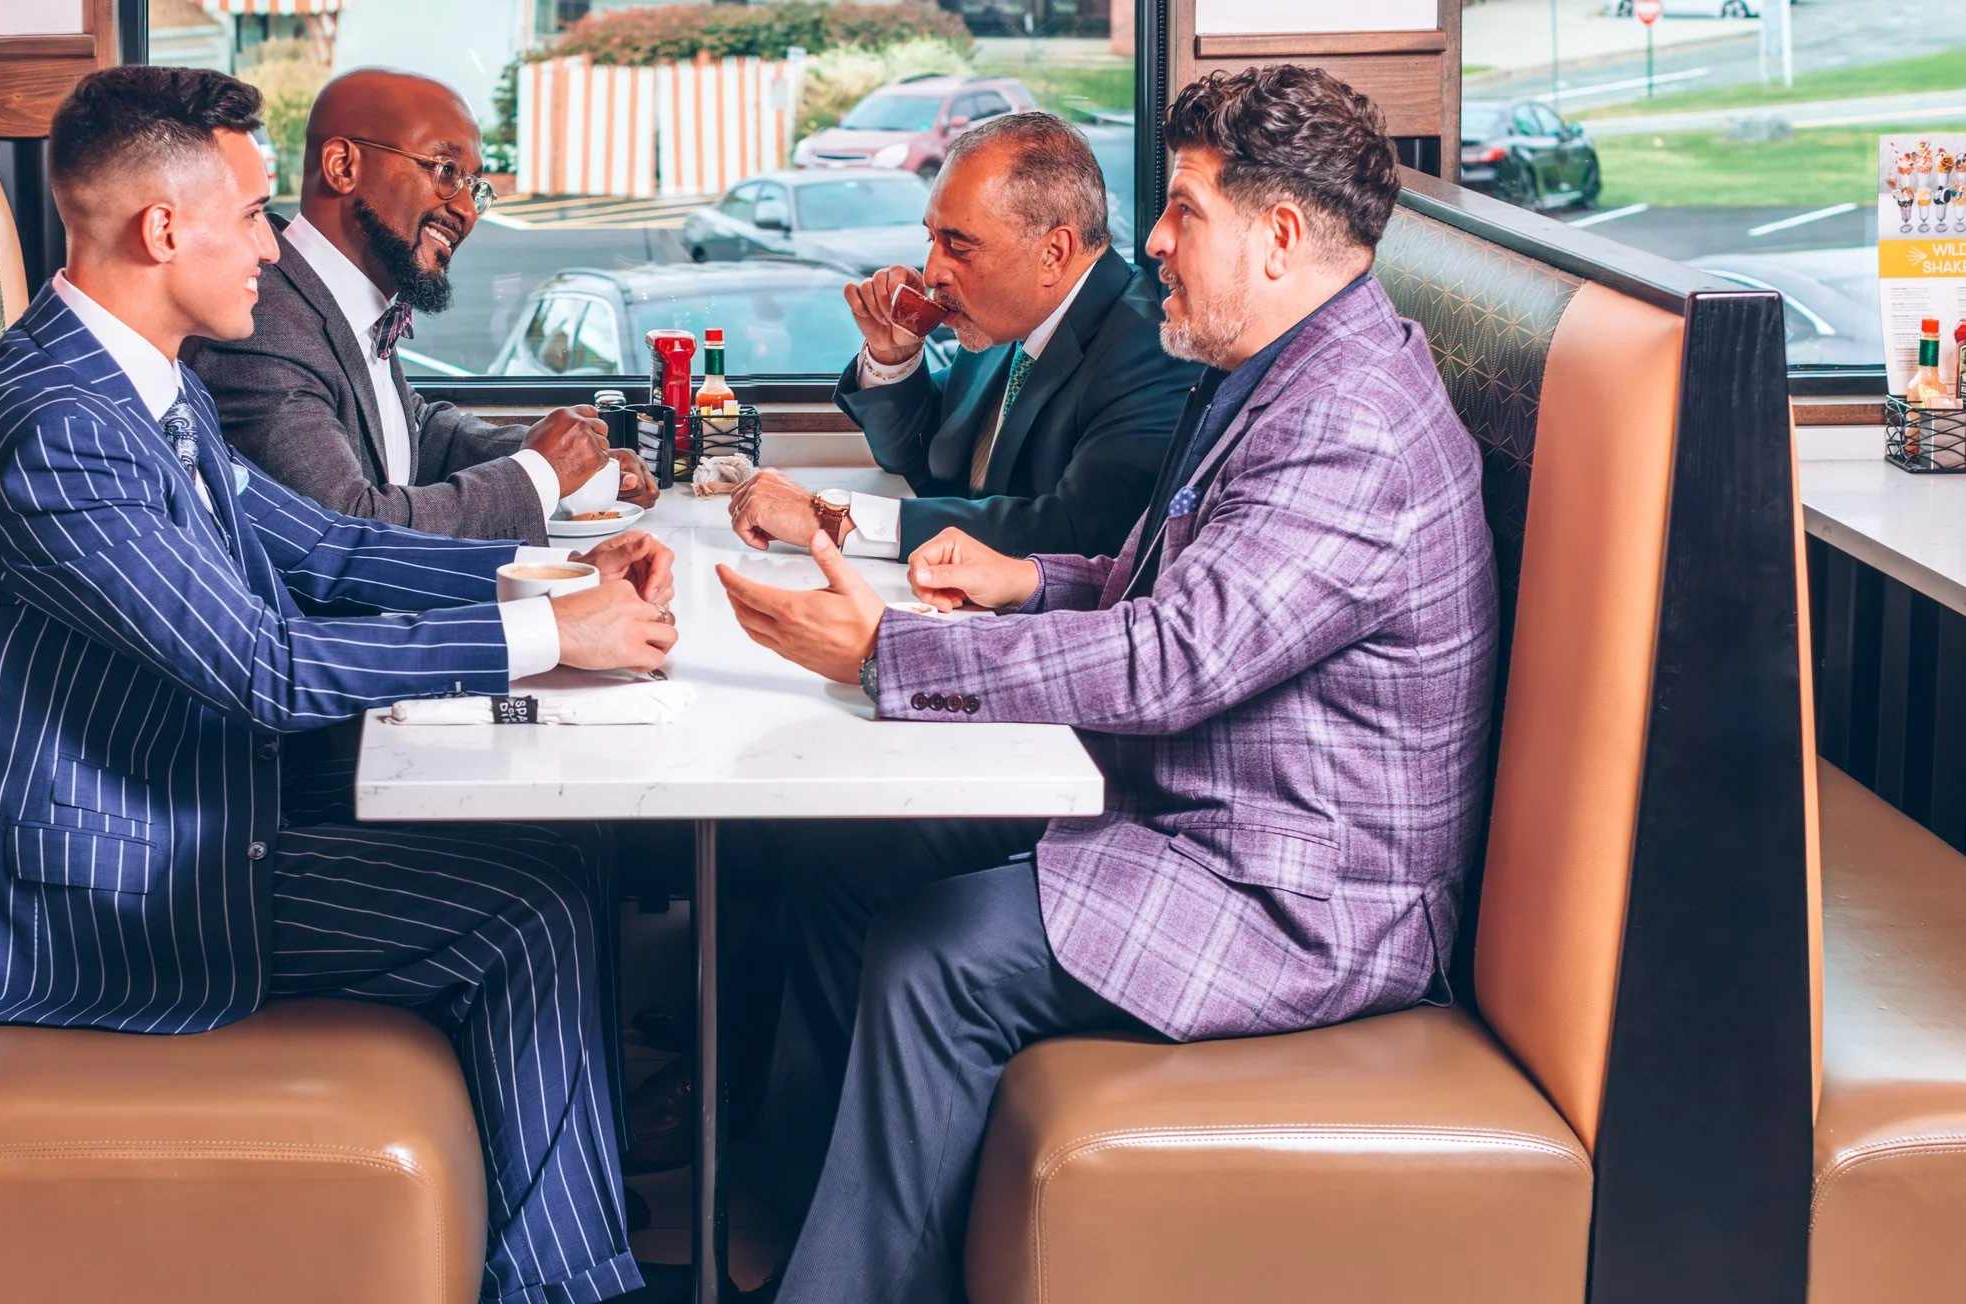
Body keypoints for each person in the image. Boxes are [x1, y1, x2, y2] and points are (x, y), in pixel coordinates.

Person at [713, 66, 1498, 1303]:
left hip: (1293, 886)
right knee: (840, 857)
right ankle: (807, 1226)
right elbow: (1163, 587)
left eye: (1183, 210)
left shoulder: (1348, 420)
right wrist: (1028, 581)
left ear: (1279, 235)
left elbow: (1176, 655)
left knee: (936, 952)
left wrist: (888, 652)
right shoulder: (1273, 366)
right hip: (1191, 807)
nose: (1155, 243)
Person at [0, 66, 679, 1304]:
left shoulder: (136, 380)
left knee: (553, 857)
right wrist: (552, 638)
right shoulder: (57, 426)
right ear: (165, 231)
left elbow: (322, 547)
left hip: (190, 817)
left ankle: (560, 1247)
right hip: (106, 903)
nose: (273, 244)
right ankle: (572, 1288)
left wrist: (543, 575)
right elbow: (264, 670)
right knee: (523, 913)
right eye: (253, 213)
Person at [187, 68, 655, 547]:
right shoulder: (261, 324)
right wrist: (539, 472)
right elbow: (347, 530)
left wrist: (555, 454)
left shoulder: (341, 293)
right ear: (343, 166)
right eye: (446, 171)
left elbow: (408, 433)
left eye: (475, 187)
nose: (468, 211)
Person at [724, 110, 1199, 562]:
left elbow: (1077, 530)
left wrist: (832, 519)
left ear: (1054, 253)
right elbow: (911, 456)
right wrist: (895, 359)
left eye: (960, 245)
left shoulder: (1154, 347)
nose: (931, 272)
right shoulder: (1002, 323)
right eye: (932, 239)